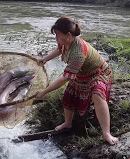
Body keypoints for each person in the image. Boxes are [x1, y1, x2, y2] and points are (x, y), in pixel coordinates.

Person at [36, 16, 118, 145]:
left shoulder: (78, 52)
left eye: (57, 35)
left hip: (98, 73)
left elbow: (65, 78)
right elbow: (59, 50)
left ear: (68, 35)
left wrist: (44, 91)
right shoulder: (65, 42)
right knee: (69, 95)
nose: (56, 38)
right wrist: (45, 59)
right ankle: (68, 123)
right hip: (82, 73)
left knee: (97, 95)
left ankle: (106, 133)